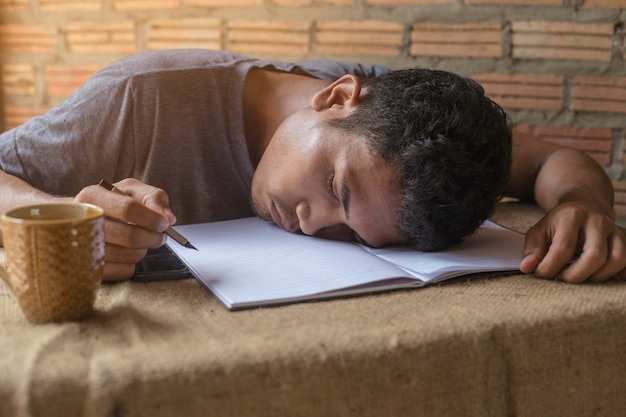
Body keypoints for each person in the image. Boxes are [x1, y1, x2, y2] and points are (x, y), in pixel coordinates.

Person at [0, 49, 624, 283]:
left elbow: (557, 160)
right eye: (335, 186)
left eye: (350, 234)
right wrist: (64, 216)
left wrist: (584, 205)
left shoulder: (407, 122)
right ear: (336, 98)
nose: (310, 222)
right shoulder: (140, 100)